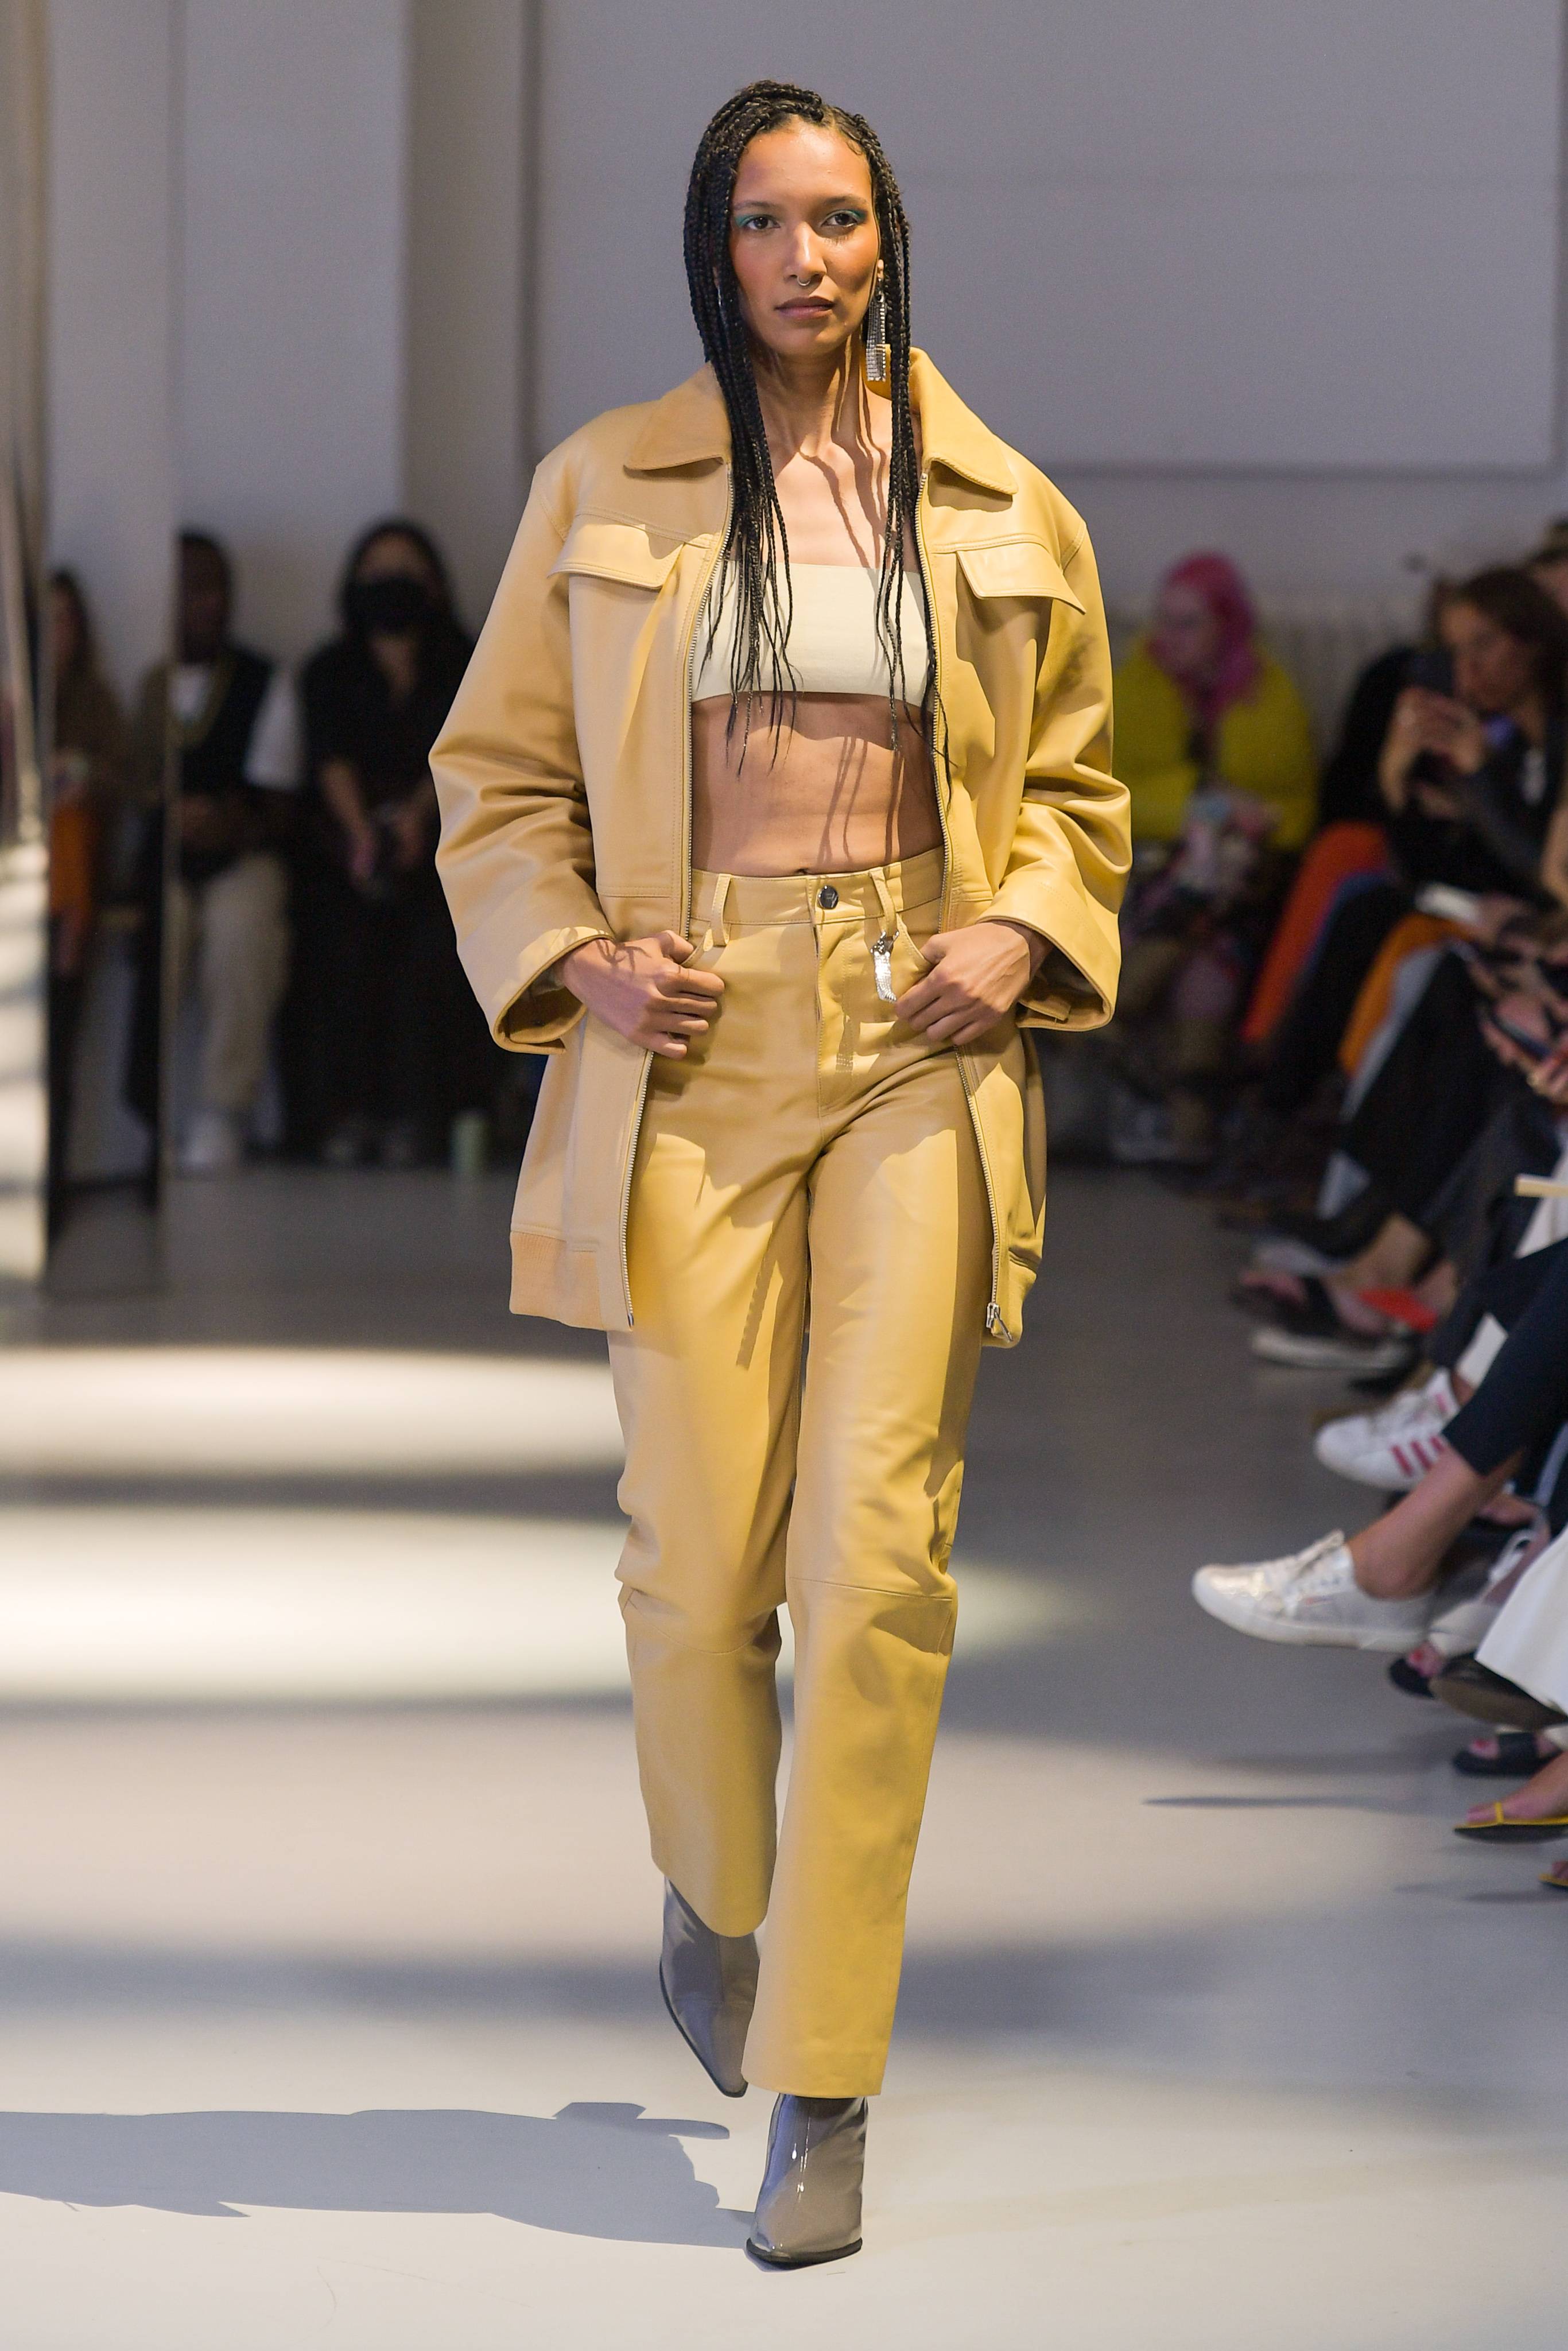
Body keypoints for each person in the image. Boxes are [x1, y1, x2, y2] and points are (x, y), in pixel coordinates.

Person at [431, 80, 1129, 2266]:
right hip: (693, 1036)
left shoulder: (997, 494)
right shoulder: (600, 481)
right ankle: (716, 1882)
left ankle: (826, 2081)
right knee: (689, 1559)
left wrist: (1022, 925)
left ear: (884, 235)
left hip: (917, 1030)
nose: (804, 257)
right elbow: (494, 781)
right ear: (712, 246)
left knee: (878, 1558)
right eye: (764, 220)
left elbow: (1079, 793)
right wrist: (572, 955)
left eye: (836, 218)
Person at [1106, 553, 1317, 1161]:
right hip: (1154, 869)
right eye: (1163, 620)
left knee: (1218, 879)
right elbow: (1109, 792)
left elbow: (1292, 809)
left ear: (1225, 625)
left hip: (1249, 880)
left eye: (1187, 623)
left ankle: (1120, 1001)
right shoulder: (1135, 685)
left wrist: (1239, 822)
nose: (1166, 637)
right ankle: (1191, 1122)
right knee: (1207, 937)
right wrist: (1206, 804)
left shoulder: (1268, 692)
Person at [296, 520, 484, 1167]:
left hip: (443, 844)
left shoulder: (468, 663)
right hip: (344, 849)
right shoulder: (329, 671)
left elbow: (468, 750)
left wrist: (417, 819)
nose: (392, 585)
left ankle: (423, 1113)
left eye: (407, 571)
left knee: (433, 949)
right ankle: (344, 1112)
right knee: (339, 942)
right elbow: (329, 759)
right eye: (378, 572)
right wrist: (361, 836)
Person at [127, 532, 300, 1174]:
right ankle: (147, 1113)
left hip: (244, 855)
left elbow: (281, 799)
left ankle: (224, 1109)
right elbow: (135, 783)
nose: (211, 602)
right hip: (168, 864)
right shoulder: (154, 685)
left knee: (242, 930)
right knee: (163, 930)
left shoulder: (263, 680)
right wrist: (170, 816)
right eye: (196, 588)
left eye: (219, 586)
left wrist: (225, 823)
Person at [46, 570, 127, 1192]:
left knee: (70, 824)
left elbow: (121, 780)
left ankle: (67, 950)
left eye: (65, 619)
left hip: (72, 875)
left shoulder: (94, 701)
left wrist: (78, 777)